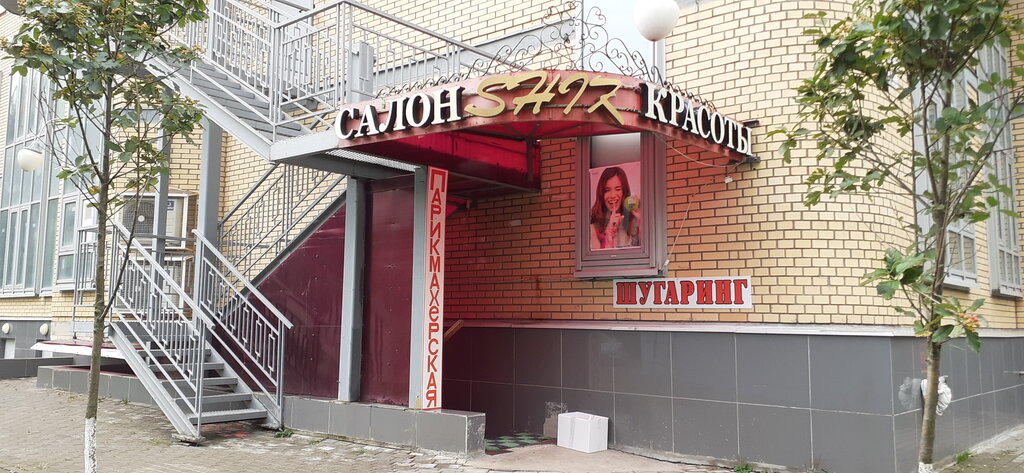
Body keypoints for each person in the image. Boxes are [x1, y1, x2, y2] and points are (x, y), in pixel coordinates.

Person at [590, 166, 640, 249]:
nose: (612, 195)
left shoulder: (633, 222)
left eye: (618, 189)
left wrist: (641, 220)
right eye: (607, 190)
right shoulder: (593, 229)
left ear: (624, 191)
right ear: (601, 194)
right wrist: (609, 231)